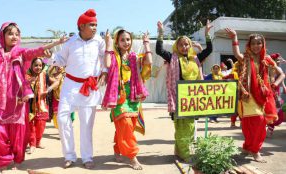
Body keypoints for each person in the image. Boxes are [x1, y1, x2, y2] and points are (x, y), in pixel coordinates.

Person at [0, 22, 65, 172]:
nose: (14, 36)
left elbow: (36, 51)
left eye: (17, 34)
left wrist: (55, 43)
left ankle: (16, 160)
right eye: (10, 33)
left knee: (18, 135)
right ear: (2, 36)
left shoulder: (21, 53)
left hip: (17, 101)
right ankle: (3, 161)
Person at [48, 9, 107, 169]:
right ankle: (69, 156)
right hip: (70, 86)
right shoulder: (70, 42)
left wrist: (104, 72)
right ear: (81, 26)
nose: (94, 27)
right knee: (62, 118)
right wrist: (50, 58)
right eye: (91, 25)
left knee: (87, 124)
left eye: (96, 25)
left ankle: (87, 158)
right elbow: (60, 59)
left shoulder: (100, 41)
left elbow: (105, 59)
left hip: (89, 87)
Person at [156, 20, 213, 162]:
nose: (184, 47)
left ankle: (179, 150)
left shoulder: (195, 58)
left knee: (189, 126)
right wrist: (161, 33)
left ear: (190, 45)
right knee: (182, 127)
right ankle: (185, 154)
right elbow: (159, 50)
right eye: (181, 44)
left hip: (192, 99)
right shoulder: (172, 57)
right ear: (177, 46)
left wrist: (207, 34)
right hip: (178, 99)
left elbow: (209, 50)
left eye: (186, 44)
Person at [225, 28, 285, 162]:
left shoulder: (268, 60)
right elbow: (236, 53)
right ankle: (248, 147)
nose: (256, 46)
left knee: (260, 122)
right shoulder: (245, 58)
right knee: (247, 125)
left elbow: (282, 74)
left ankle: (254, 150)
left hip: (264, 97)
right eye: (253, 43)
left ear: (263, 44)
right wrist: (234, 38)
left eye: (259, 43)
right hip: (248, 96)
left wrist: (275, 84)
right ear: (249, 45)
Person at [102, 29, 152, 170]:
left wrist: (146, 43)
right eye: (122, 40)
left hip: (133, 95)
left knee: (127, 127)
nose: (126, 42)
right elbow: (106, 64)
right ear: (117, 42)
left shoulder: (134, 57)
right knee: (125, 124)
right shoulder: (113, 55)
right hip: (118, 96)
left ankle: (118, 150)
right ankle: (132, 157)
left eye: (128, 39)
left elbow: (149, 62)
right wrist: (108, 44)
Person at [25, 58, 53, 154]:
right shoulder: (26, 76)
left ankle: (38, 142)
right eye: (36, 65)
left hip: (42, 105)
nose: (38, 67)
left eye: (40, 65)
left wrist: (48, 90)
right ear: (31, 66)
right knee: (31, 126)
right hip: (29, 106)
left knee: (41, 125)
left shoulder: (44, 75)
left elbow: (56, 82)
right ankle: (32, 144)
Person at [266, 53, 286, 137]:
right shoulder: (271, 68)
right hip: (271, 91)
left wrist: (284, 87)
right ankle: (269, 127)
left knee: (277, 111)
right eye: (277, 60)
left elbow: (281, 79)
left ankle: (270, 127)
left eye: (279, 60)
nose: (279, 61)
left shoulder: (278, 68)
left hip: (276, 91)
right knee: (276, 111)